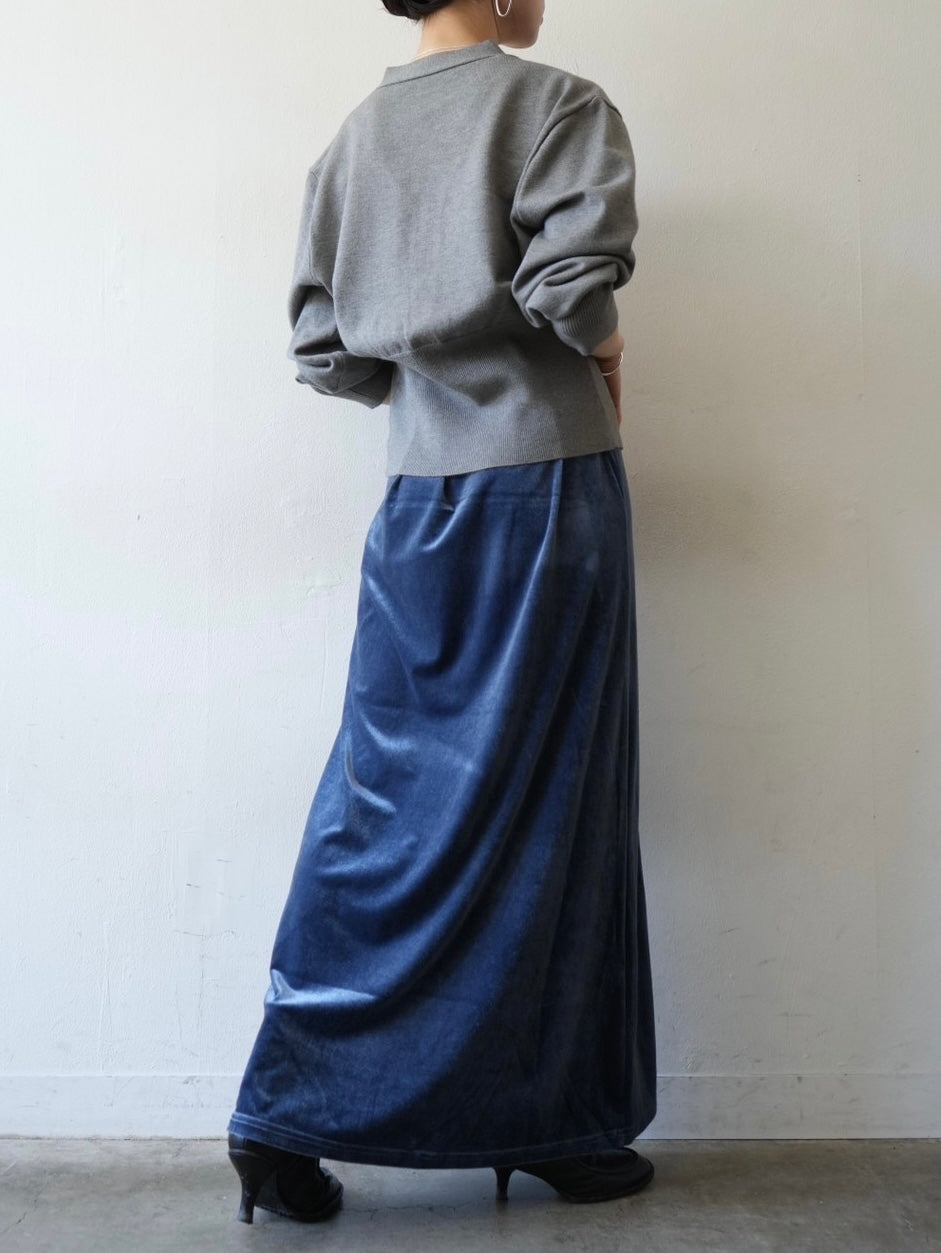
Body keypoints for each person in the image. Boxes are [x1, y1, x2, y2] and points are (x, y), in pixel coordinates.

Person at [225, 0, 657, 1225]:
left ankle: (285, 1113)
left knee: (385, 803)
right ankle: (552, 1116)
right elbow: (569, 286)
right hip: (549, 485)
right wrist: (605, 354)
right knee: (556, 801)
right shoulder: (555, 105)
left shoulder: (350, 143)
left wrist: (427, 373)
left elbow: (324, 349)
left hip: (416, 500)